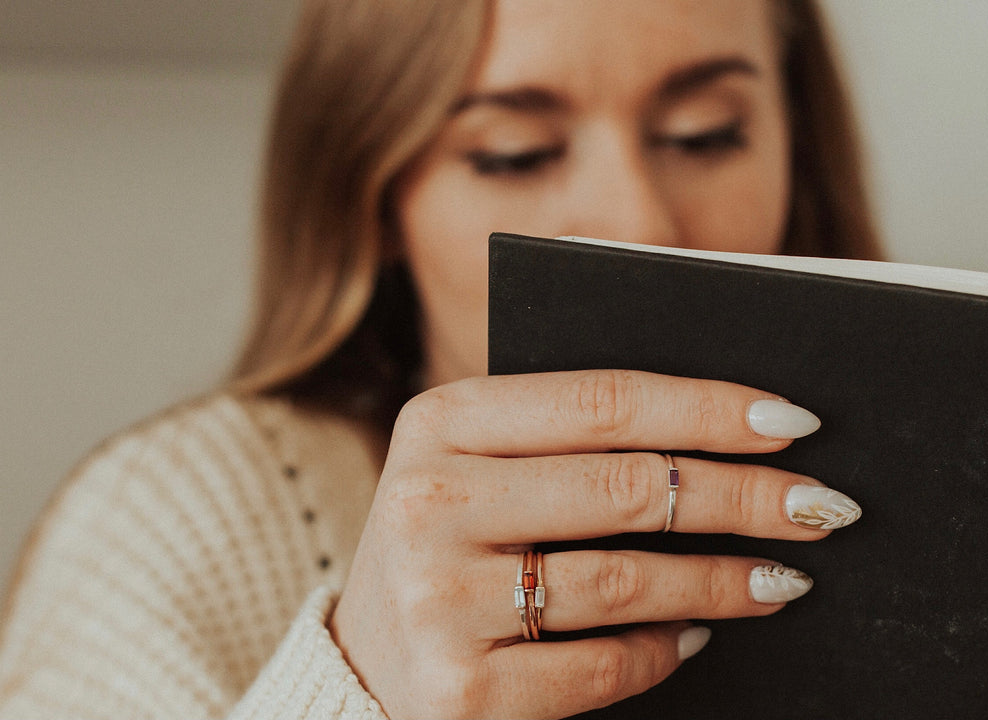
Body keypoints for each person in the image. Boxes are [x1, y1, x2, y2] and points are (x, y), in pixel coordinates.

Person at [0, 1, 883, 718]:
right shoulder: (170, 526)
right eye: (515, 153)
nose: (639, 224)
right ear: (377, 197)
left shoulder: (929, 480)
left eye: (704, 134)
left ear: (796, 148)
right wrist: (361, 690)